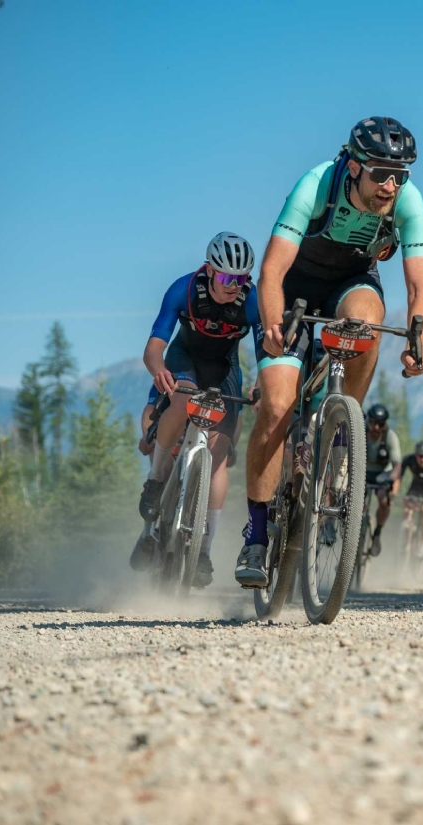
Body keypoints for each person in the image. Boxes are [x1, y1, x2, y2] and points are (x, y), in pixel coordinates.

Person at [237, 116, 423, 587]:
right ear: (355, 166)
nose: (391, 186)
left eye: (400, 175)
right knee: (277, 407)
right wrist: (272, 326)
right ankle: (257, 535)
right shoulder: (316, 184)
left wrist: (416, 344)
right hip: (293, 290)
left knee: (365, 321)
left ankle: (344, 427)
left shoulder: (408, 200)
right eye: (381, 174)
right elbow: (271, 272)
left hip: (351, 284)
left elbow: (419, 286)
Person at [130, 232, 260, 589]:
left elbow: (267, 353)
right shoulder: (183, 289)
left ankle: (203, 550)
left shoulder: (252, 300)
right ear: (210, 270)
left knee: (219, 455)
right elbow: (153, 348)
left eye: (241, 279)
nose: (233, 286)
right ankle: (155, 482)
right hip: (183, 359)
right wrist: (159, 371)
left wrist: (261, 384)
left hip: (224, 369)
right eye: (226, 277)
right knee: (182, 399)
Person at [364, 402, 401, 556]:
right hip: (362, 471)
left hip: (382, 474)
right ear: (368, 420)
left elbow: (397, 466)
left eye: (380, 424)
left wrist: (390, 480)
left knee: (385, 502)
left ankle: (377, 533)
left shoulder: (390, 437)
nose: (376, 428)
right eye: (373, 422)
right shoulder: (360, 431)